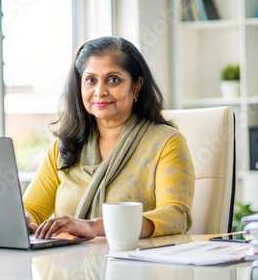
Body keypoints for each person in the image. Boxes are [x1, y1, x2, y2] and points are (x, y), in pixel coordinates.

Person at [23, 36, 195, 239]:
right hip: (69, 266)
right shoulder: (66, 146)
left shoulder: (166, 143)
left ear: (136, 86)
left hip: (138, 265)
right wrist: (21, 219)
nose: (100, 91)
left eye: (113, 80)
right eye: (90, 80)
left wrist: (94, 227)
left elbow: (176, 215)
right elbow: (31, 209)